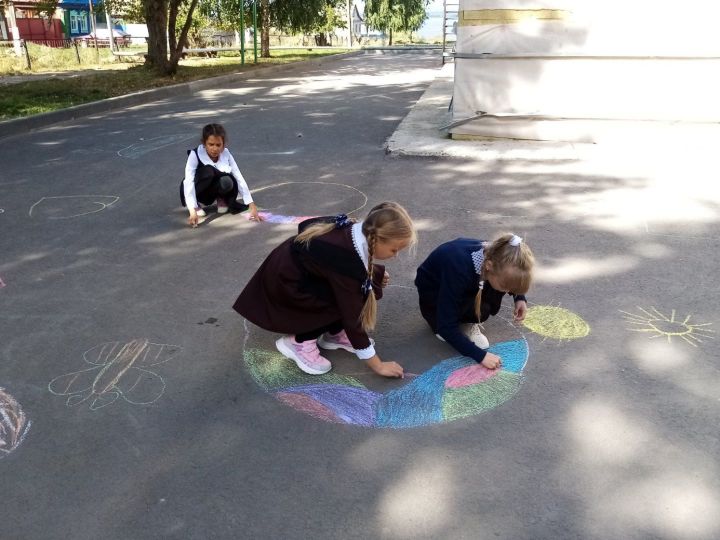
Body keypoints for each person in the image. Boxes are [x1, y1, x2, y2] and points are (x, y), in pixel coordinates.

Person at [233, 202, 417, 378]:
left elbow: (325, 260)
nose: (395, 255)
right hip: (285, 287)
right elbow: (352, 317)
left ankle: (334, 334)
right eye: (394, 250)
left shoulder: (357, 230)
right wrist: (378, 365)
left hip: (293, 276)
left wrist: (374, 273)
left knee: (357, 289)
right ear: (376, 239)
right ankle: (299, 342)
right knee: (349, 299)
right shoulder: (345, 259)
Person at [414, 234, 534, 370]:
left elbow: (511, 278)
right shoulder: (460, 270)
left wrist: (519, 297)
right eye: (506, 287)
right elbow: (445, 327)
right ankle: (440, 320)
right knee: (445, 324)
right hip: (434, 292)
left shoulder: (499, 256)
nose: (508, 291)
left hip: (463, 279)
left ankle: (466, 319)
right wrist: (481, 356)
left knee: (485, 305)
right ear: (488, 266)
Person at [181, 123, 262, 227]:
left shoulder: (226, 154)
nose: (215, 149)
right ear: (204, 143)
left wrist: (252, 205)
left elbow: (238, 175)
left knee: (227, 180)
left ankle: (221, 198)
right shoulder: (195, 154)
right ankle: (196, 204)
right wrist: (192, 210)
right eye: (211, 144)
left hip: (212, 188)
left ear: (223, 145)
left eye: (218, 145)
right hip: (198, 188)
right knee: (209, 172)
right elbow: (189, 181)